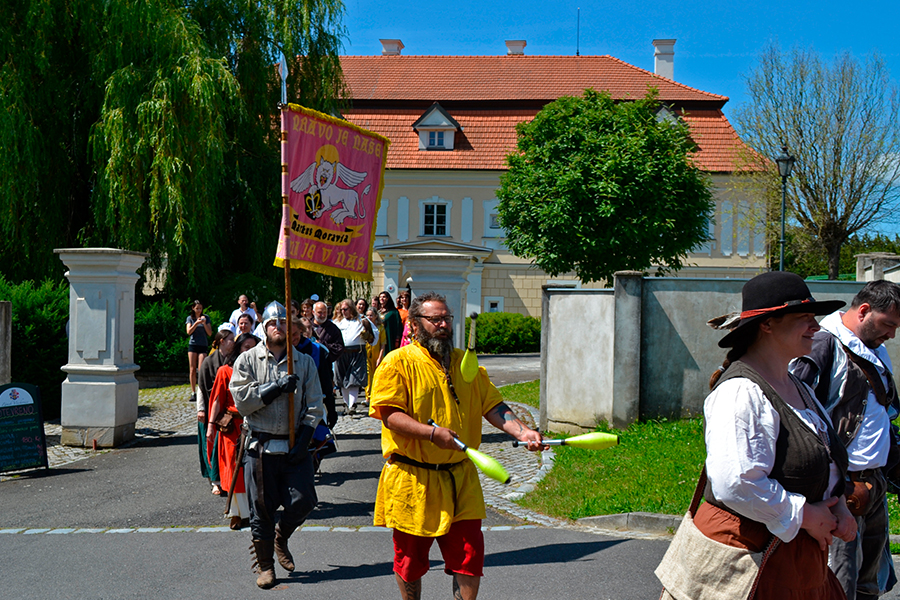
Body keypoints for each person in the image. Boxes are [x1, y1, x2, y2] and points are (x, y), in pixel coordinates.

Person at [665, 271, 855, 599]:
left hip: (795, 560)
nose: (817, 327)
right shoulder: (741, 391)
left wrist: (839, 507)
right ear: (767, 325)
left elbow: (822, 456)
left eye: (815, 318)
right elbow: (736, 482)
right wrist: (806, 514)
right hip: (749, 560)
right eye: (804, 318)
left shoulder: (797, 386)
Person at [369, 291, 545, 600]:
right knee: (409, 561)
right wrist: (431, 434)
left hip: (460, 478)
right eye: (434, 319)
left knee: (469, 556)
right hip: (414, 479)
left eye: (446, 318)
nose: (443, 325)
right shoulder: (397, 363)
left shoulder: (467, 363)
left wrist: (522, 432)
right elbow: (389, 415)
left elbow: (493, 406)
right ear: (415, 324)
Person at [791, 280, 900, 600]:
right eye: (888, 324)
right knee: (838, 584)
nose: (892, 335)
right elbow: (795, 414)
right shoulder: (823, 345)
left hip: (874, 483)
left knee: (870, 584)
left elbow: (882, 412)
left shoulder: (876, 350)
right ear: (864, 311)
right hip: (841, 488)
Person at [230, 301, 325, 589]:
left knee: (305, 500)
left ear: (291, 328)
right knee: (261, 509)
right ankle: (266, 567)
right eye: (273, 323)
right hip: (260, 447)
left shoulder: (305, 362)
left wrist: (304, 441)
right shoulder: (247, 361)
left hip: (294, 445)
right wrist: (274, 390)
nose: (278, 327)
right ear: (264, 327)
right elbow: (242, 402)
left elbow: (314, 406)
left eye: (283, 322)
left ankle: (280, 536)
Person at [207, 331, 259, 530]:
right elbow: (217, 400)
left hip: (256, 425)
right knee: (233, 468)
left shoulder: (260, 371)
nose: (250, 352)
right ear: (238, 349)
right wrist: (211, 427)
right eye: (247, 347)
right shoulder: (225, 371)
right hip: (232, 428)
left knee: (254, 469)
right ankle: (237, 512)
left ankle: (254, 509)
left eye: (254, 348)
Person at [197, 323, 234, 496]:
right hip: (209, 409)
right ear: (221, 341)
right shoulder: (208, 362)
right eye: (230, 340)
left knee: (222, 448)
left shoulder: (233, 359)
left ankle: (223, 478)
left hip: (226, 412)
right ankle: (214, 481)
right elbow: (201, 387)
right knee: (209, 446)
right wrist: (201, 409)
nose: (232, 342)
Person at [333, 299, 375, 416]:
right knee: (342, 380)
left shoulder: (361, 320)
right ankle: (346, 404)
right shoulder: (337, 322)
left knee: (354, 380)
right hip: (341, 353)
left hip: (357, 352)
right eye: (342, 309)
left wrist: (367, 334)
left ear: (351, 309)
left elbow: (374, 336)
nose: (343, 312)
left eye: (345, 309)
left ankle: (352, 405)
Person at [311, 301, 344, 429]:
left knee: (327, 395)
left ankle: (330, 418)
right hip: (308, 367)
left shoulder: (332, 328)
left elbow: (339, 347)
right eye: (320, 312)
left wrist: (322, 347)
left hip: (325, 368)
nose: (322, 314)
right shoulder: (307, 325)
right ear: (313, 312)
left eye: (325, 312)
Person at [186, 300, 213, 401]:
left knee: (201, 369)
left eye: (200, 308)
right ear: (193, 308)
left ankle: (201, 390)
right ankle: (193, 392)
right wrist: (196, 323)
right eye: (197, 308)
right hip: (193, 345)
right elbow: (188, 331)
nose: (199, 310)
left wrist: (204, 323)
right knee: (192, 369)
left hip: (203, 345)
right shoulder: (190, 318)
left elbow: (210, 333)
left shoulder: (206, 318)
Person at [365, 308, 386, 400]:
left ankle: (376, 394)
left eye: (371, 315)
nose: (369, 317)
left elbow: (383, 343)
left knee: (377, 375)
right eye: (368, 315)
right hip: (366, 353)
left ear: (376, 316)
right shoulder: (364, 327)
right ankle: (368, 396)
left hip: (377, 353)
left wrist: (380, 357)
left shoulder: (380, 328)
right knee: (368, 375)